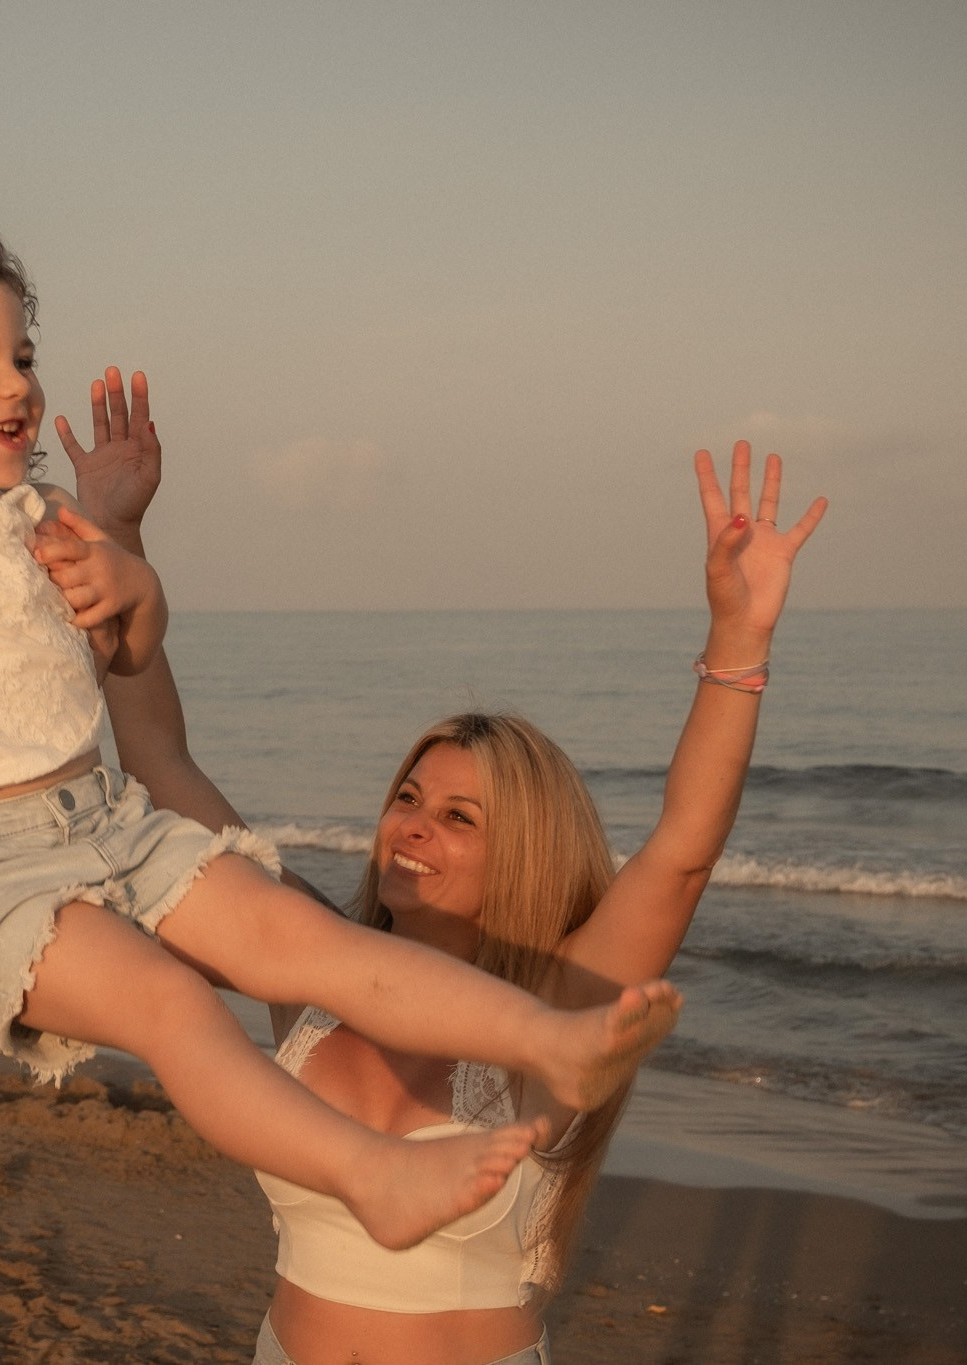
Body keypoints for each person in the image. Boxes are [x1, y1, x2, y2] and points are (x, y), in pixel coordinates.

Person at [0, 211, 684, 1254]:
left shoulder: (46, 510)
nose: (17, 385)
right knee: (170, 1004)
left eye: (22, 356)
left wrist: (130, 576)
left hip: (109, 819)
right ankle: (366, 1172)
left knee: (305, 941)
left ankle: (549, 1041)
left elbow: (125, 653)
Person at [74, 402, 827, 1364]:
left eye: (459, 817)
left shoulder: (548, 1010)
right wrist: (121, 539)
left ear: (525, 854)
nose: (413, 826)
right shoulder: (304, 963)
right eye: (410, 797)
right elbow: (162, 762)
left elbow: (680, 853)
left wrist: (738, 639)